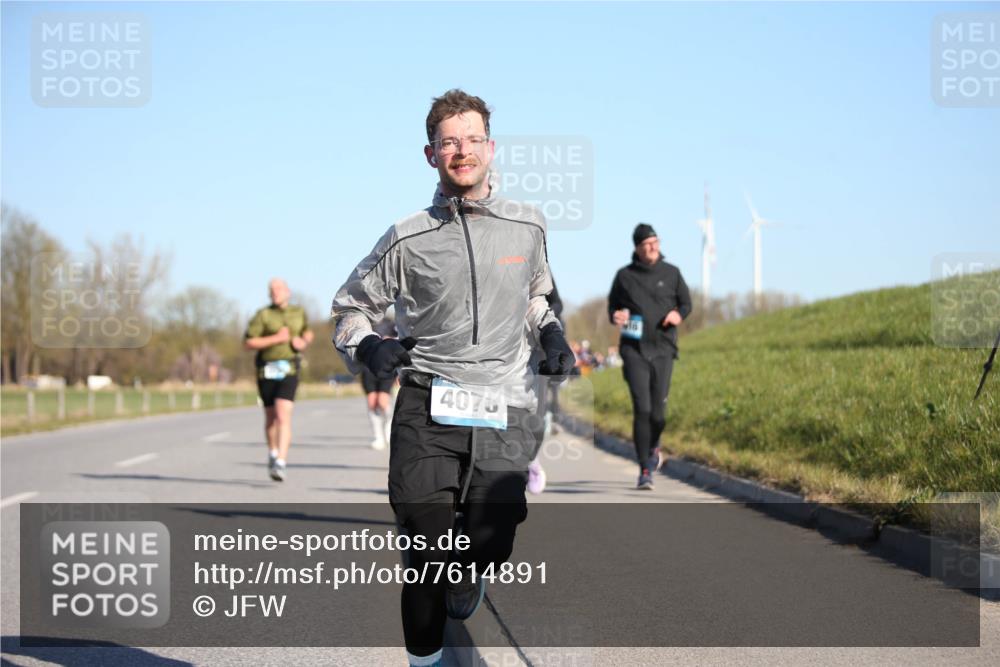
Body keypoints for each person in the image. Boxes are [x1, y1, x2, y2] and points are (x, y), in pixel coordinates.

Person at [331, 89, 573, 667]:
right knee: (424, 552)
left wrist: (552, 333)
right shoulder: (407, 236)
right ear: (430, 155)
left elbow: (536, 298)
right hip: (427, 403)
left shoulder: (528, 226)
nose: (461, 151)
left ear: (490, 148)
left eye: (471, 140)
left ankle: (472, 565)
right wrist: (368, 346)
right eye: (448, 143)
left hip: (504, 405)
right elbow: (349, 309)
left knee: (492, 541)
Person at [607, 224, 691, 490]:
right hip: (634, 350)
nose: (653, 247)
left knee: (658, 414)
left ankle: (654, 445)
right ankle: (645, 468)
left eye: (655, 242)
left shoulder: (672, 273)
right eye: (647, 244)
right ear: (637, 248)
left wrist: (678, 314)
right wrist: (616, 316)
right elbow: (613, 308)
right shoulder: (624, 276)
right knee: (642, 409)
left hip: (664, 349)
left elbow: (686, 303)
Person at [244, 278, 314, 481]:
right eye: (271, 290)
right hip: (266, 369)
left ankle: (281, 463)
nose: (275, 293)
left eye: (278, 289)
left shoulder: (298, 312)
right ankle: (273, 452)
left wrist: (304, 341)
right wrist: (276, 339)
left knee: (283, 414)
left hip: (289, 368)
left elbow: (307, 332)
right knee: (271, 416)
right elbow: (248, 342)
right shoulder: (263, 315)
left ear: (287, 291)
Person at [361, 314, 398, 450]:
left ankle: (388, 427)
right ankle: (378, 437)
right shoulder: (364, 323)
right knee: (372, 403)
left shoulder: (390, 323)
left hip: (386, 367)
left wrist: (391, 340)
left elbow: (402, 339)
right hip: (367, 367)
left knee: (382, 402)